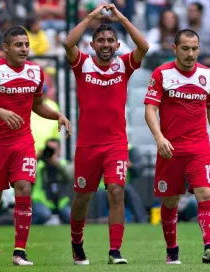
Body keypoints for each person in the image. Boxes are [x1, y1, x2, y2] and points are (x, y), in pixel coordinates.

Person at [0, 25, 71, 266]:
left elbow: (37, 105)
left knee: (24, 188)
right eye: (18, 45)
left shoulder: (36, 72)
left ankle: (19, 252)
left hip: (23, 140)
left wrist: (58, 115)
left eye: (26, 44)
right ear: (6, 47)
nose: (24, 49)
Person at [63, 2, 149, 265]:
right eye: (100, 39)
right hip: (87, 145)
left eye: (110, 40)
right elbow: (68, 44)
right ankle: (77, 243)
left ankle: (115, 251)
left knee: (116, 191)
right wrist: (90, 16)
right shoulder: (82, 64)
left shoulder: (124, 65)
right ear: (92, 44)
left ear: (117, 45)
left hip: (115, 144)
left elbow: (144, 46)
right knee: (82, 198)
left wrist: (121, 18)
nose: (105, 43)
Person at [144, 29, 210, 264]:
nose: (191, 54)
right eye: (185, 48)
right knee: (170, 201)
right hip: (170, 149)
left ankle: (209, 246)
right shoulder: (162, 73)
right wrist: (159, 138)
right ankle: (172, 250)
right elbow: (150, 109)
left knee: (206, 193)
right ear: (175, 49)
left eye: (195, 48)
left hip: (199, 147)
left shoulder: (208, 75)